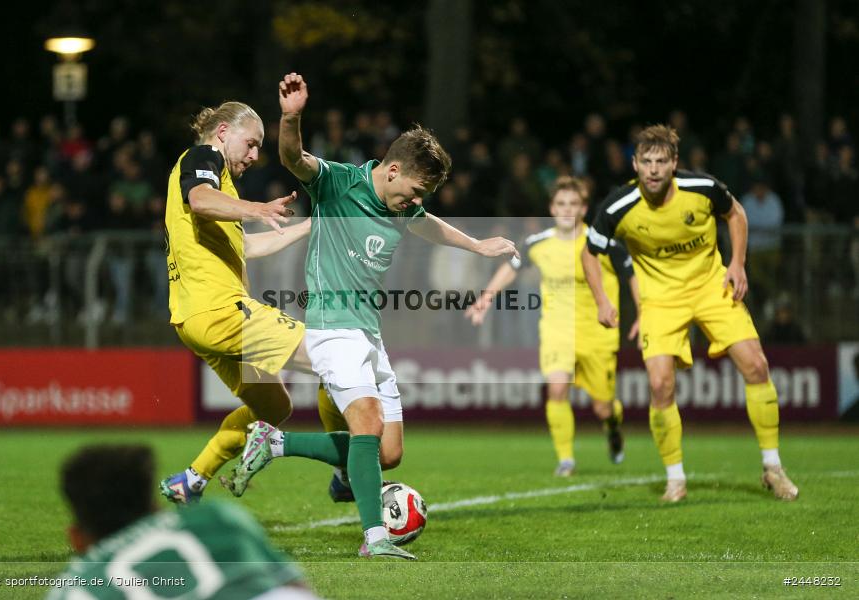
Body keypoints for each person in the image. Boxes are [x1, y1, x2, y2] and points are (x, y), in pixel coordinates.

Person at [222, 73, 518, 561]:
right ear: (394, 168)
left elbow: (429, 225)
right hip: (331, 327)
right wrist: (291, 117)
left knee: (388, 452)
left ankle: (274, 444)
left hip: (368, 332)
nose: (416, 201)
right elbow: (294, 159)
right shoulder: (338, 183)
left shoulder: (405, 205)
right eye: (416, 189)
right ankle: (375, 538)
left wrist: (478, 245)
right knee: (367, 420)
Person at [582, 124, 798, 503]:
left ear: (674, 163)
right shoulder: (619, 206)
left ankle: (772, 467)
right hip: (660, 300)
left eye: (661, 161)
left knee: (756, 366)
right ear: (634, 163)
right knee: (661, 384)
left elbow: (736, 214)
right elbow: (590, 252)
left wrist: (738, 264)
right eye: (645, 161)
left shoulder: (702, 188)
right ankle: (675, 479)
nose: (653, 170)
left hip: (711, 287)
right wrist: (601, 299)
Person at [158, 101, 318, 505]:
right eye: (251, 144)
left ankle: (191, 480)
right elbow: (200, 199)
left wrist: (311, 227)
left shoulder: (221, 188)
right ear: (224, 131)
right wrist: (255, 208)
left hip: (196, 320)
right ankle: (347, 475)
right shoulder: (203, 157)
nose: (254, 155)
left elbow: (245, 246)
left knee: (273, 405)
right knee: (333, 356)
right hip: (221, 311)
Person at [466, 176, 639, 476]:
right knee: (557, 389)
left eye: (573, 204)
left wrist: (642, 312)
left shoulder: (601, 243)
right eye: (561, 204)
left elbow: (631, 272)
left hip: (598, 333)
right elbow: (512, 267)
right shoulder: (538, 244)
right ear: (551, 207)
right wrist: (486, 298)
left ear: (584, 208)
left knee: (602, 407)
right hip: (557, 331)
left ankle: (612, 424)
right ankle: (566, 459)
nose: (566, 210)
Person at [47, 444, 320, 600]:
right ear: (155, 507)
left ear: (77, 538)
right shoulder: (217, 517)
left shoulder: (73, 590)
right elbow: (295, 588)